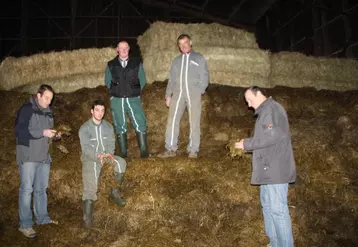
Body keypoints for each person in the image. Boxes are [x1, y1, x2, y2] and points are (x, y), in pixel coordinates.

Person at [235, 86, 296, 247]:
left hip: (276, 169)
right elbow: (267, 137)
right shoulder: (266, 111)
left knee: (277, 209)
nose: (248, 104)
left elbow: (273, 135)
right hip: (268, 169)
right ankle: (274, 243)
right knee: (268, 206)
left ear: (259, 94)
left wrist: (247, 143)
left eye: (250, 99)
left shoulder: (272, 109)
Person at [15, 84, 59, 238]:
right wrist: (42, 132)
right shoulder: (27, 109)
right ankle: (25, 224)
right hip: (28, 156)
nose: (49, 102)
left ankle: (42, 218)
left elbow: (48, 134)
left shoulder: (49, 112)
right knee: (27, 190)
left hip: (43, 157)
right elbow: (20, 131)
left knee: (41, 190)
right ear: (38, 95)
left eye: (51, 99)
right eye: (46, 98)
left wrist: (54, 135)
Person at [157, 34, 209, 159]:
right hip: (178, 93)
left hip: (193, 94)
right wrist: (168, 95)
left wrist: (199, 91)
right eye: (180, 44)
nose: (183, 46)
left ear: (190, 42)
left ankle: (193, 150)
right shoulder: (176, 61)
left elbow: (205, 77)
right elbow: (171, 79)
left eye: (185, 42)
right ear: (179, 46)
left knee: (194, 122)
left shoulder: (199, 58)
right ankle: (170, 148)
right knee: (172, 120)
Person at [79, 99, 127, 228]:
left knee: (121, 162)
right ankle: (87, 220)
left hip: (105, 156)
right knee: (90, 187)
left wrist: (109, 154)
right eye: (97, 110)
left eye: (102, 110)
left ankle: (114, 193)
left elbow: (111, 143)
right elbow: (86, 148)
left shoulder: (108, 126)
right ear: (92, 111)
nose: (100, 113)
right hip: (91, 159)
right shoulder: (84, 129)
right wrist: (97, 156)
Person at [104, 40, 149, 158]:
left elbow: (142, 80)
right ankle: (123, 152)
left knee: (140, 121)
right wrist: (116, 93)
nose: (123, 50)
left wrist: (135, 92)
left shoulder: (136, 63)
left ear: (129, 49)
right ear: (117, 50)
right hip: (117, 99)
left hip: (133, 98)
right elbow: (107, 82)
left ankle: (144, 151)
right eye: (121, 48)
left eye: (126, 48)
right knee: (119, 124)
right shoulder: (111, 64)